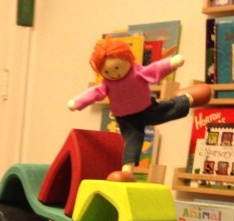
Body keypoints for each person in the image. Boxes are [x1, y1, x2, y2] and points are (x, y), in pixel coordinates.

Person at [68, 36, 212, 180]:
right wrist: (78, 102)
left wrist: (171, 63)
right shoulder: (107, 84)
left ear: (127, 59)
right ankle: (127, 170)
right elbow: (94, 93)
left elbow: (155, 70)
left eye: (117, 68)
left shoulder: (136, 72)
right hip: (126, 120)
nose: (114, 74)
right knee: (132, 141)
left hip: (147, 109)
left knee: (166, 110)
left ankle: (188, 99)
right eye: (107, 72)